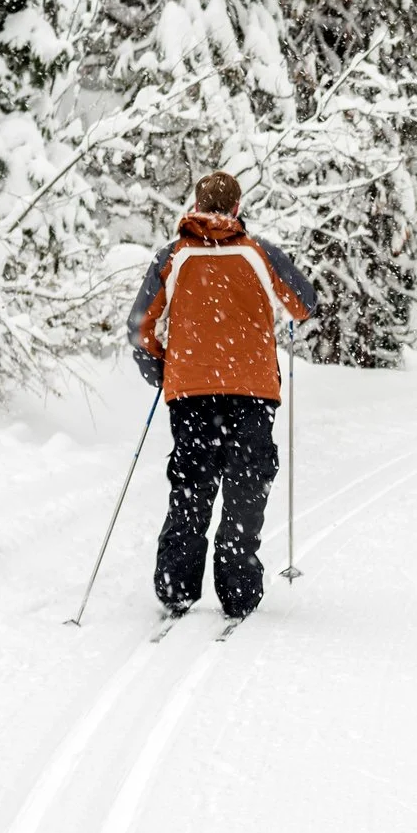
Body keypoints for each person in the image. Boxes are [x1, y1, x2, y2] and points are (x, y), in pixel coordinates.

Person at [126, 171, 317, 620]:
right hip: (252, 388)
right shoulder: (259, 253)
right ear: (236, 209)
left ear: (195, 205)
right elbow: (304, 304)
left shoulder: (173, 256)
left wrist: (160, 366)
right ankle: (238, 588)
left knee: (191, 484)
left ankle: (177, 586)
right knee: (246, 485)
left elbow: (139, 328)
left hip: (190, 389)